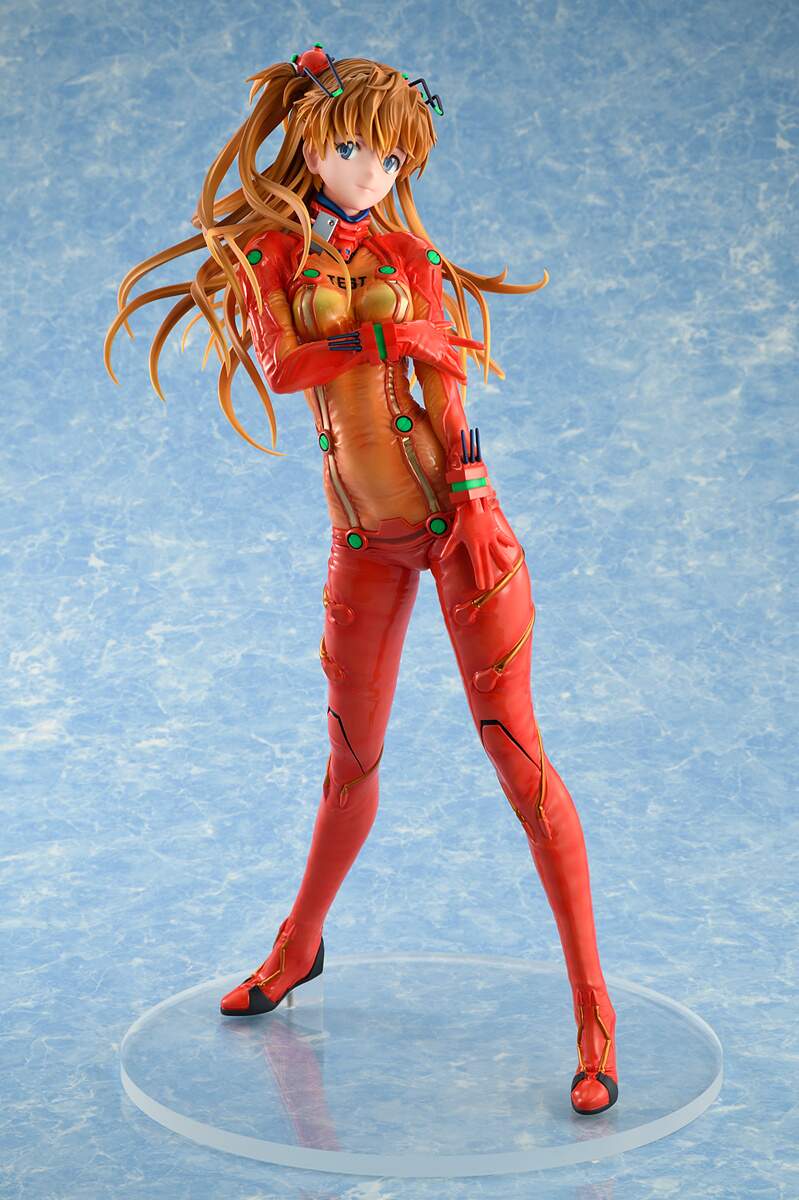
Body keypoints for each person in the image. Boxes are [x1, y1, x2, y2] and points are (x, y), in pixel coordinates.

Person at [104, 45, 618, 1116]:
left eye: (389, 159)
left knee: (518, 758)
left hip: (458, 527)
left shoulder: (404, 251)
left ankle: (594, 1017)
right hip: (363, 540)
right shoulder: (274, 258)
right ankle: (298, 946)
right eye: (352, 149)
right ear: (312, 145)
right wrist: (392, 332)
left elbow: (446, 378)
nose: (371, 173)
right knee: (349, 761)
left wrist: (468, 489)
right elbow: (286, 365)